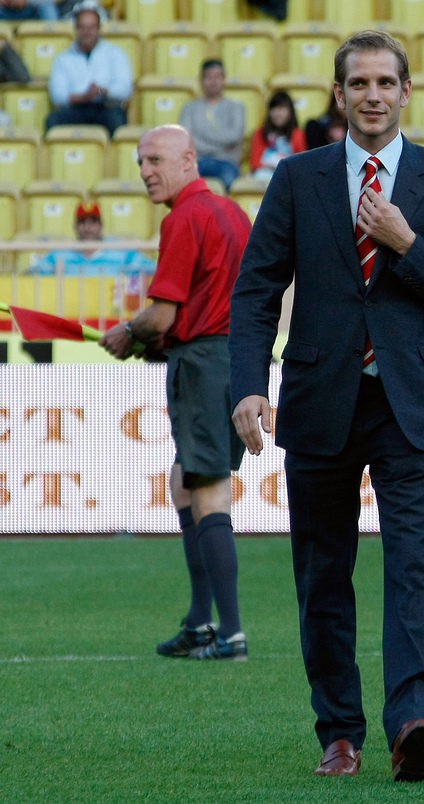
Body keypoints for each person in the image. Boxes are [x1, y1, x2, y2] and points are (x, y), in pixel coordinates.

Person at [228, 30, 424, 782]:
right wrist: (249, 386)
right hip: (317, 400)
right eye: (359, 83)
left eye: (386, 82)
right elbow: (255, 294)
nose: (373, 95)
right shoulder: (297, 176)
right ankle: (339, 732)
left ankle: (413, 723)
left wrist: (407, 243)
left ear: (407, 93)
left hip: (410, 403)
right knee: (322, 573)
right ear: (338, 96)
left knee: (411, 565)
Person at [99, 125, 252, 662]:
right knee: (184, 480)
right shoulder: (233, 214)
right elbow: (221, 302)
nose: (145, 171)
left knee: (207, 488)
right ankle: (200, 621)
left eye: (156, 160)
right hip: (235, 358)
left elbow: (163, 313)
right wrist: (162, 340)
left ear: (189, 160)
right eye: (141, 162)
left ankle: (230, 632)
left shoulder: (184, 218)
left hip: (205, 365)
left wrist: (129, 332)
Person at [29, 201, 157, 312]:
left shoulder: (120, 250)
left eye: (93, 222)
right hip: (72, 314)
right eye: (82, 222)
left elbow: (152, 268)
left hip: (110, 316)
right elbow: (32, 274)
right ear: (75, 226)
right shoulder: (61, 252)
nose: (88, 227)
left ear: (101, 225)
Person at [45, 1, 132, 136]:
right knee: (53, 120)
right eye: (82, 27)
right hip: (75, 109)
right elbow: (57, 95)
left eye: (91, 27)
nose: (87, 32)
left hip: (106, 108)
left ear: (98, 28)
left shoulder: (115, 53)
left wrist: (101, 91)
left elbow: (124, 89)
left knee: (116, 119)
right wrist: (84, 97)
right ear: (76, 29)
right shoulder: (63, 58)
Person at [179, 59, 246, 192]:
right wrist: (221, 146)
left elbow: (235, 136)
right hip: (198, 162)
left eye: (217, 76)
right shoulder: (189, 108)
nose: (213, 81)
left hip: (226, 162)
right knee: (180, 182)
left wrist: (203, 134)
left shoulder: (236, 107)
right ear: (201, 80)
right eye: (209, 77)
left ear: (224, 79)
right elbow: (186, 140)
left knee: (229, 180)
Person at [249, 90, 306, 183]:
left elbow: (302, 164)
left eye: (282, 108)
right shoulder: (260, 133)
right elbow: (255, 163)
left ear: (290, 112)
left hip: (289, 177)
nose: (278, 113)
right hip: (264, 176)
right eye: (274, 108)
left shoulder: (298, 135)